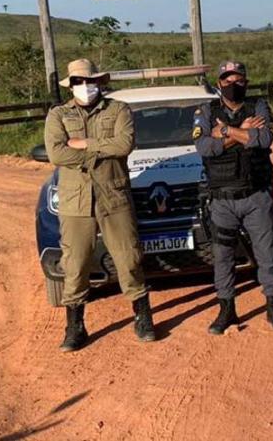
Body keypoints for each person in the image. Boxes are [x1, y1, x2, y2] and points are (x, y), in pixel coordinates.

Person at [44, 58, 156, 351]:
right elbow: (57, 155)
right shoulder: (58, 115)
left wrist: (84, 144)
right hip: (75, 201)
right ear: (71, 85)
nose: (85, 87)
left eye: (90, 81)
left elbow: (124, 145)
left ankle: (143, 316)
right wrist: (100, 148)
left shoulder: (118, 109)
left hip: (113, 195)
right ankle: (74, 327)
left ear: (100, 82)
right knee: (75, 263)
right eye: (79, 82)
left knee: (128, 258)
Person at [193, 61, 273, 334]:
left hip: (256, 195)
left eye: (238, 80)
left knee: (267, 253)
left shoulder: (258, 107)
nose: (233, 85)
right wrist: (242, 133)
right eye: (227, 80)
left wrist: (224, 131)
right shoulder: (207, 111)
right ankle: (227, 310)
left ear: (246, 82)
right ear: (219, 82)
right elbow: (204, 147)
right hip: (222, 200)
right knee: (222, 257)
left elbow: (263, 139)